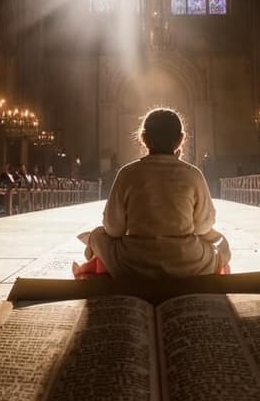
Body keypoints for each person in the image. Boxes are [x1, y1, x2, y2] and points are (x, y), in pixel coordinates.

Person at [74, 107, 231, 279]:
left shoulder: (128, 173)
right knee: (219, 244)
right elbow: (204, 226)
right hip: (187, 264)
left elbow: (113, 229)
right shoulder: (193, 174)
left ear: (143, 139)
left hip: (132, 265)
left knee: (97, 236)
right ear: (180, 140)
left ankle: (95, 268)